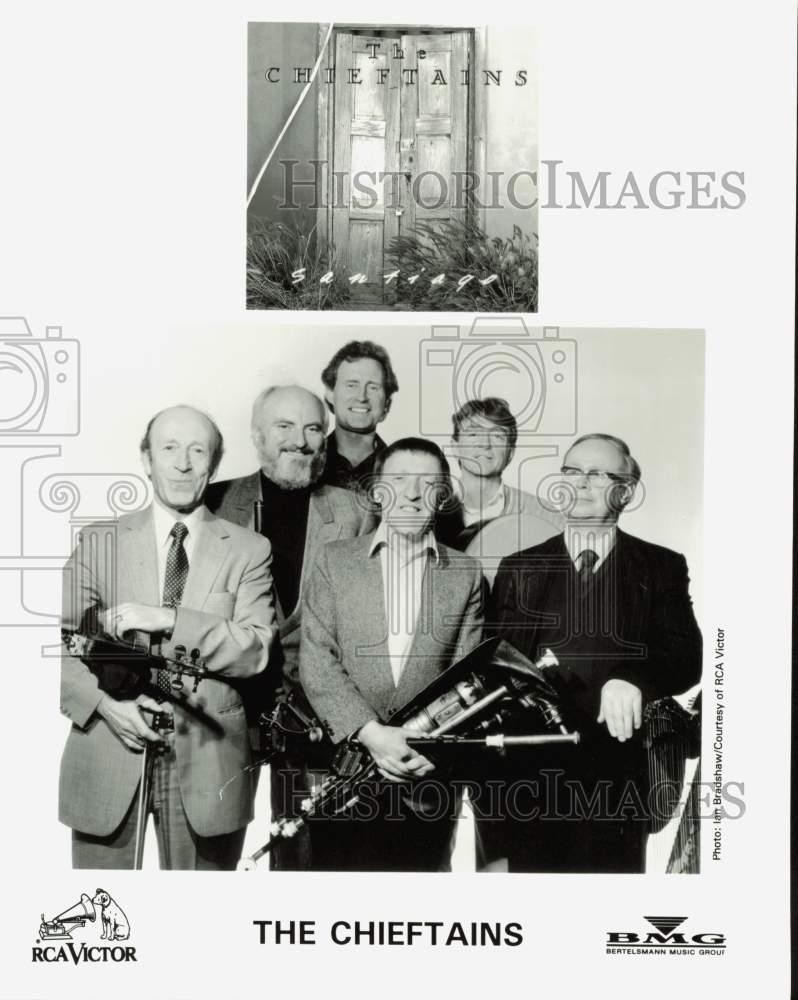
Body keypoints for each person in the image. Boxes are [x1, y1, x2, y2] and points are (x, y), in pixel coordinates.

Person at [59, 405, 276, 870]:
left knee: (201, 927)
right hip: (108, 750)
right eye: (169, 448)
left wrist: (169, 618)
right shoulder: (99, 542)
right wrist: (107, 707)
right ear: (146, 458)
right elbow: (57, 646)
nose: (183, 463)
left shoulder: (249, 549)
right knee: (104, 920)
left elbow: (254, 650)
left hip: (210, 763)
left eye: (198, 451)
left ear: (214, 464)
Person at [486, 433, 702, 873]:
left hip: (618, 786)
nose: (579, 483)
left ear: (625, 491)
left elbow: (687, 655)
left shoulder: (661, 566)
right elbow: (495, 667)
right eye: (571, 472)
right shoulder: (519, 568)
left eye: (596, 474)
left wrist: (635, 679)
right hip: (530, 786)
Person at [205, 385, 375, 868]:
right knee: (213, 852)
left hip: (315, 715)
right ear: (257, 435)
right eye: (284, 426)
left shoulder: (355, 510)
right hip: (227, 708)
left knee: (307, 856)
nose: (299, 441)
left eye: (313, 428)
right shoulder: (215, 504)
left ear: (325, 438)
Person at [300, 438, 485, 871]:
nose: (413, 493)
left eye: (429, 484)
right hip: (347, 773)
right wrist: (371, 734)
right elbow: (317, 659)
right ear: (378, 491)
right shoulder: (334, 560)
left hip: (426, 775)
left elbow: (468, 678)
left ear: (442, 496)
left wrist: (432, 751)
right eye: (399, 481)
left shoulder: (466, 573)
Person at [437, 397, 562, 554]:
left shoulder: (544, 515)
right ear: (455, 447)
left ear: (511, 452)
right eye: (473, 434)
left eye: (498, 436)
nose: (485, 444)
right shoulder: (430, 512)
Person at [319, 340, 398, 492]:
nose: (362, 397)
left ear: (386, 404)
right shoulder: (306, 462)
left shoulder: (400, 469)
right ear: (330, 394)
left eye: (373, 387)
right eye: (351, 385)